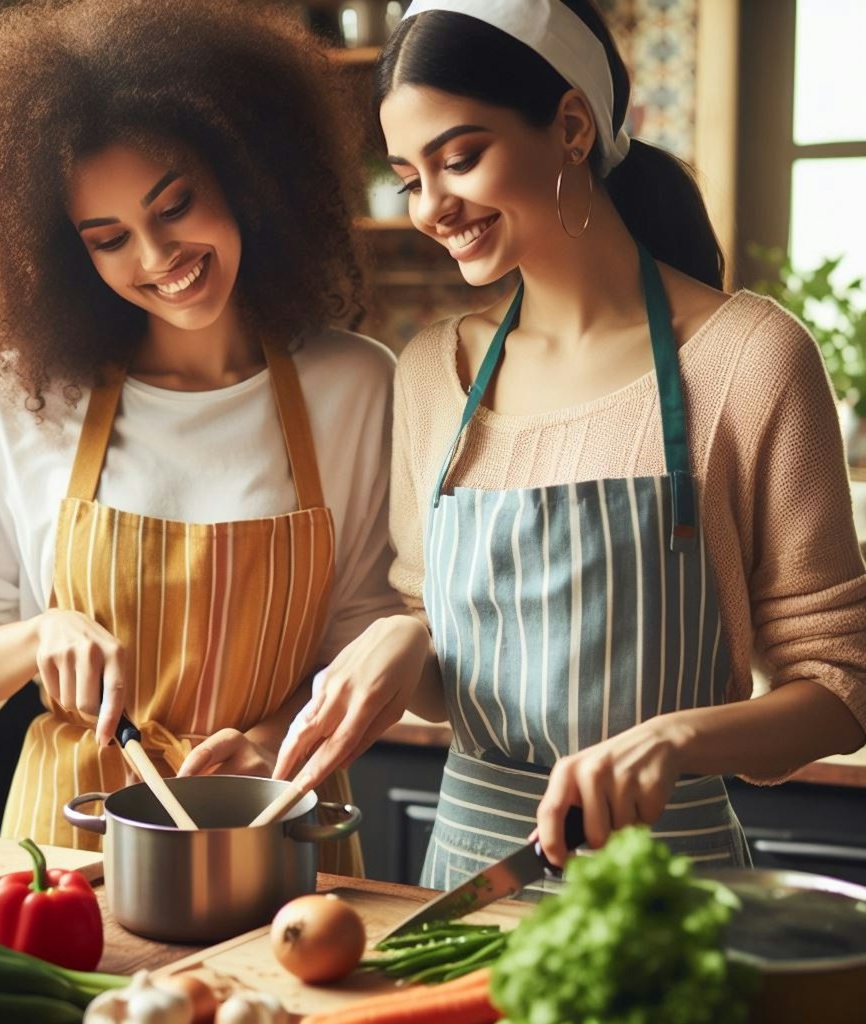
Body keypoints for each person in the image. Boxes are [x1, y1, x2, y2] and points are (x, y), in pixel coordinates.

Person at [273, 0, 866, 886]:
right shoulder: (434, 369)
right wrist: (407, 643)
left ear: (573, 126)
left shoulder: (752, 359)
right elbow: (443, 651)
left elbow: (839, 686)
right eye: (408, 177)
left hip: (670, 892)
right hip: (465, 887)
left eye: (460, 158)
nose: (433, 206)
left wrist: (674, 739)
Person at [0, 0, 402, 869]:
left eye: (175, 206)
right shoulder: (27, 395)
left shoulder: (353, 384)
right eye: (108, 239)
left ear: (246, 175)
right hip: (73, 850)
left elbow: (363, 643)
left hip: (278, 828)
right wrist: (36, 637)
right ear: (66, 254)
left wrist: (277, 749)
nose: (156, 256)